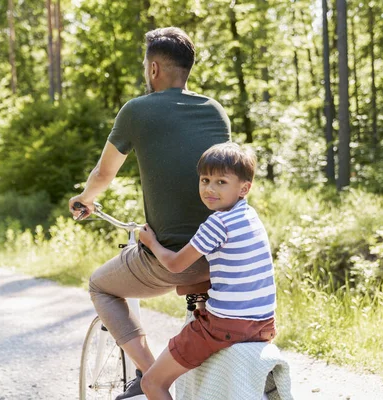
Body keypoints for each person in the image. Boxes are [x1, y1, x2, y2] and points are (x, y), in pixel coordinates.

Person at [69, 27, 231, 399]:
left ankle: (149, 373)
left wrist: (84, 199)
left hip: (173, 258)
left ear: (154, 68)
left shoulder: (137, 111)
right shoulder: (215, 111)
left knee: (100, 285)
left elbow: (104, 174)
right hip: (222, 255)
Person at [137, 142, 277, 400]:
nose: (209, 189)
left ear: (244, 188)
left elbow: (176, 264)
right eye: (205, 180)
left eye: (221, 182)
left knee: (152, 383)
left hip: (226, 325)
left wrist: (151, 242)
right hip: (264, 323)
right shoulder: (249, 216)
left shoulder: (218, 223)